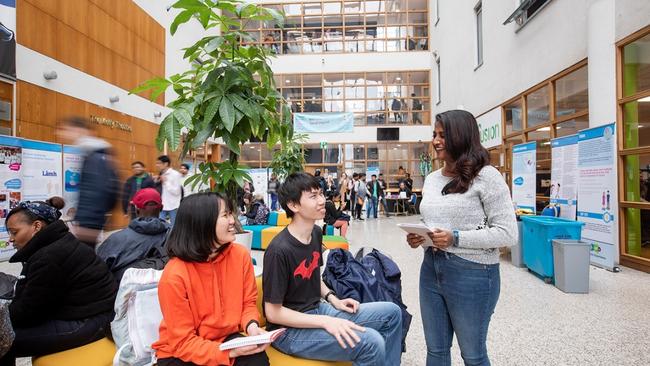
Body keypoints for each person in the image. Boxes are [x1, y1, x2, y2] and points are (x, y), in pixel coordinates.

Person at [406, 110, 517, 366]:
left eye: (443, 135)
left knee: (473, 355)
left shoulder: (487, 176)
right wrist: (419, 236)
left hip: (473, 273)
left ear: (461, 136)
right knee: (436, 351)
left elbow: (508, 232)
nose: (435, 140)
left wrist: (455, 238)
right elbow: (433, 222)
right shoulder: (433, 179)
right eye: (434, 134)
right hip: (431, 269)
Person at [263, 173, 402, 366]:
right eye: (313, 196)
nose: (322, 201)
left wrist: (333, 299)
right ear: (293, 205)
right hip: (288, 331)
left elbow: (313, 275)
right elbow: (273, 313)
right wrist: (325, 322)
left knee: (392, 313)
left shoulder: (316, 233)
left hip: (318, 309)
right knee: (371, 342)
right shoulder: (279, 250)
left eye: (320, 194)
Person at [152, 193, 269, 366]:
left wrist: (252, 326)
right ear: (202, 223)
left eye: (231, 213)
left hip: (225, 338)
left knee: (257, 360)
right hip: (182, 351)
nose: (232, 221)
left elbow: (248, 304)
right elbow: (183, 343)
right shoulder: (174, 275)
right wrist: (230, 352)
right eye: (225, 215)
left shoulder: (240, 255)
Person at [0, 198, 116, 365]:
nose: (11, 239)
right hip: (90, 315)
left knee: (4, 338)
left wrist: (4, 316)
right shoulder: (57, 243)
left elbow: (29, 312)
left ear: (36, 227)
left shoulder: (50, 257)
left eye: (15, 232)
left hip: (90, 322)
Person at [57, 116, 120, 247]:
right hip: (89, 221)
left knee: (84, 260)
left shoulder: (95, 157)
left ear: (79, 130)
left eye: (65, 129)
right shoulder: (96, 155)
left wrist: (87, 222)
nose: (60, 133)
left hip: (88, 224)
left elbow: (98, 191)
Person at [97, 188, 170, 283]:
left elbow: (98, 272)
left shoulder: (115, 239)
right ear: (161, 208)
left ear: (136, 210)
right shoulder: (174, 235)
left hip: (120, 294)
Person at [154, 156, 182, 227]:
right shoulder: (161, 174)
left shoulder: (175, 174)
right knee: (159, 226)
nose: (157, 165)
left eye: (159, 163)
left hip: (173, 205)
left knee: (174, 227)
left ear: (166, 164)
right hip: (162, 205)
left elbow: (177, 191)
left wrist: (166, 182)